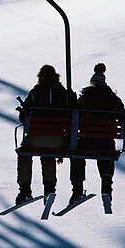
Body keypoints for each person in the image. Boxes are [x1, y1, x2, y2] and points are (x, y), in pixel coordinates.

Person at [15, 64, 81, 205]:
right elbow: (71, 114)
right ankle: (49, 188)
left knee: (24, 153)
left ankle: (25, 189)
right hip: (57, 139)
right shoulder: (63, 93)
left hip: (36, 138)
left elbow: (24, 118)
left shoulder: (35, 92)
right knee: (48, 155)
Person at [72, 63, 125, 207]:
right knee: (106, 153)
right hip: (106, 143)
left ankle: (77, 189)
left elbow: (73, 119)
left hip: (86, 142)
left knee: (76, 154)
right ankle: (106, 188)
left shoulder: (84, 98)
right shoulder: (114, 100)